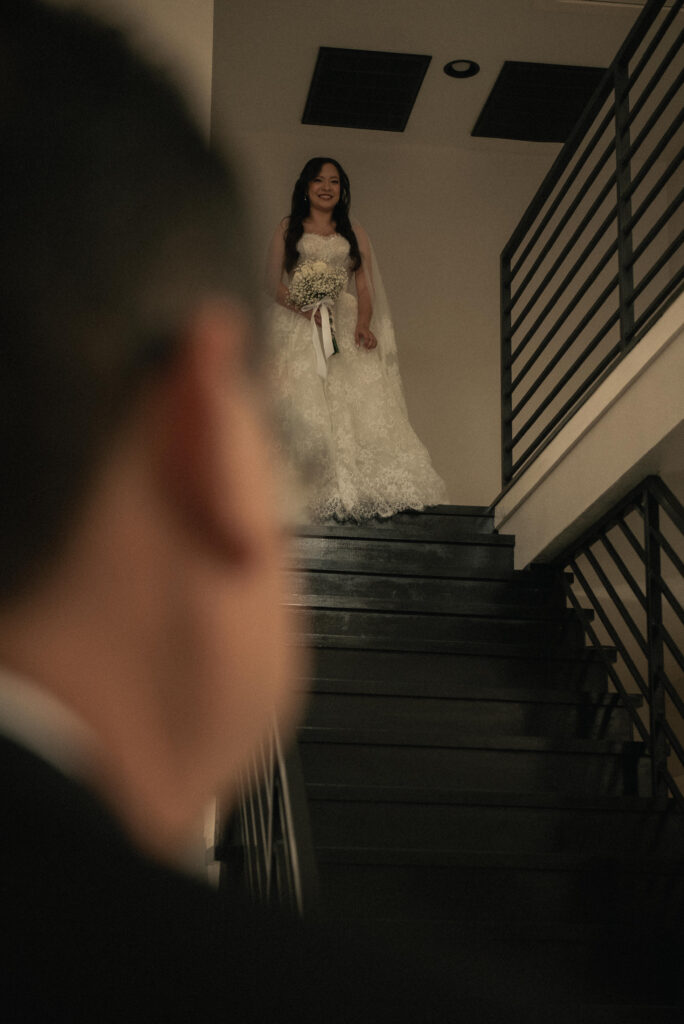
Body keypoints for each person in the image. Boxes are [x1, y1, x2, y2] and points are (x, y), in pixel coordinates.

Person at [0, 3, 507, 1022]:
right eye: (276, 449)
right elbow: (284, 288)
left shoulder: (354, 238)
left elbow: (364, 294)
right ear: (200, 433)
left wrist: (349, 314)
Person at [265, 157, 447, 522]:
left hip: (342, 320)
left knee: (352, 401)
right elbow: (271, 283)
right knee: (298, 398)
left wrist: (363, 323)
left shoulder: (354, 232)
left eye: (334, 181)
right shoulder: (288, 227)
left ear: (342, 189)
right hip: (298, 321)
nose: (326, 187)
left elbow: (364, 286)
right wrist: (306, 311)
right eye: (319, 180)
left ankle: (351, 484)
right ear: (306, 187)